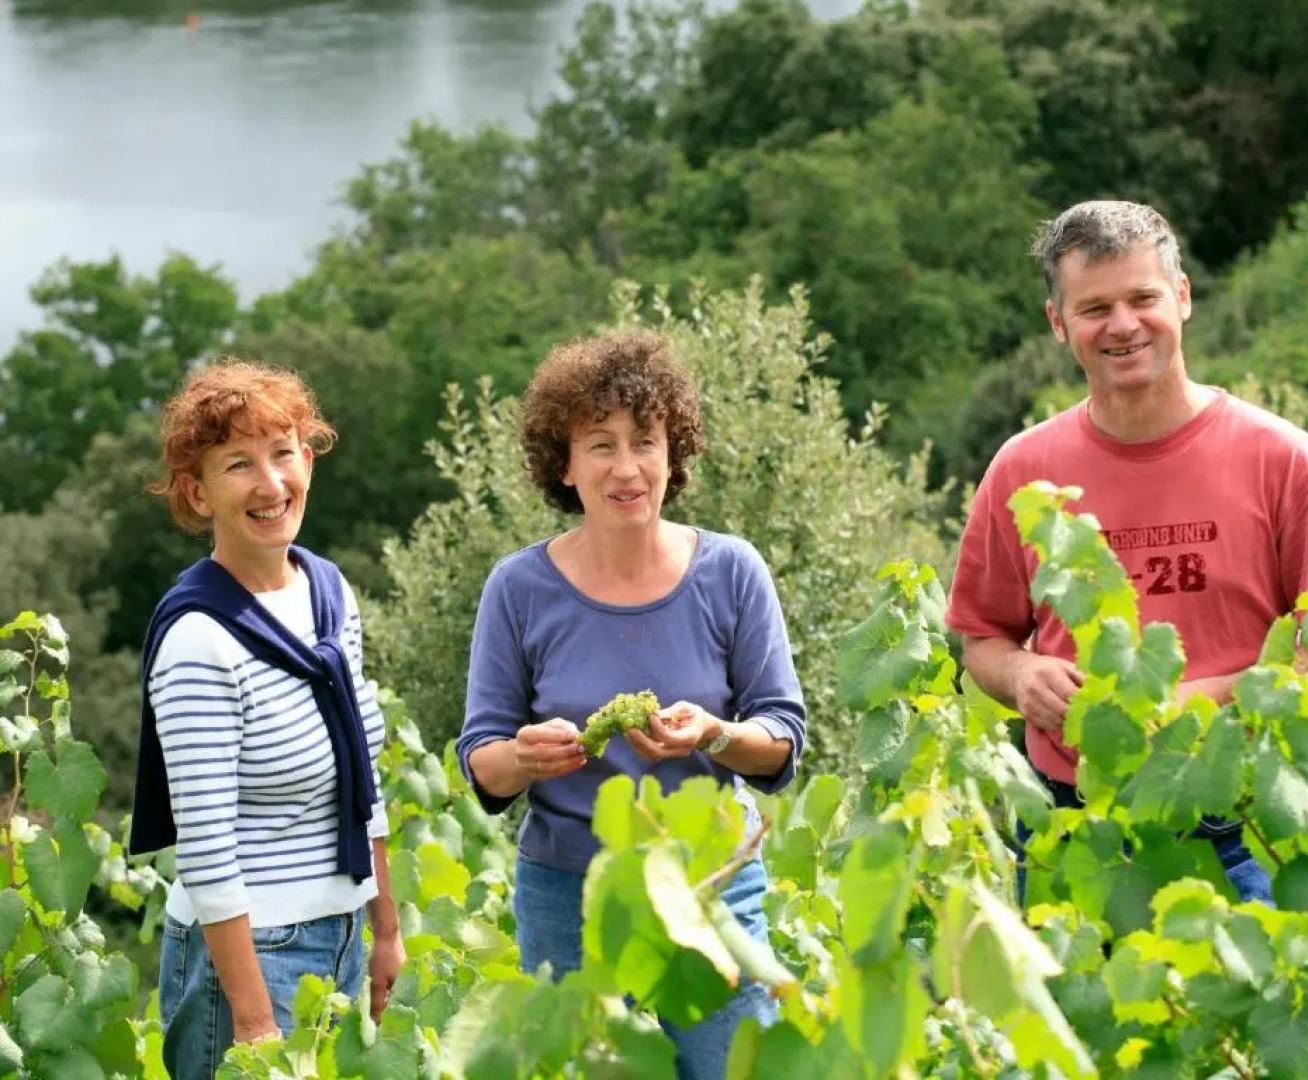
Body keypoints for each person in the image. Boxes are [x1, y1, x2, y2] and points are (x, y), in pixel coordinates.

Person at [947, 200, 1308, 904]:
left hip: (1244, 819)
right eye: (1093, 309)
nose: (1122, 325)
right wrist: (1022, 672)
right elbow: (981, 638)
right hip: (1078, 826)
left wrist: (1202, 702)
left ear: (1181, 298)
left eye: (1142, 298)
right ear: (1059, 325)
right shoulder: (1022, 470)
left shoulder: (1279, 457)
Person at [457, 330, 806, 1079]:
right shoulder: (518, 590)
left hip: (711, 888)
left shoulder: (731, 572)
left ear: (673, 454)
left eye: (645, 441)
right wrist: (523, 757)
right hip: (568, 896)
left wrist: (715, 735)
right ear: (565, 464)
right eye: (601, 444)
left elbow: (781, 741)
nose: (626, 467)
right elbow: (482, 762)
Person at [129, 360, 403, 1079]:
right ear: (198, 492)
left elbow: (362, 780)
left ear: (307, 461)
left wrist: (385, 932)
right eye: (238, 465)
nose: (270, 483)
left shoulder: (329, 593)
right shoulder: (199, 640)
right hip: (252, 963)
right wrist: (253, 1021)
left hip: (339, 943)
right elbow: (209, 848)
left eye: (283, 453)